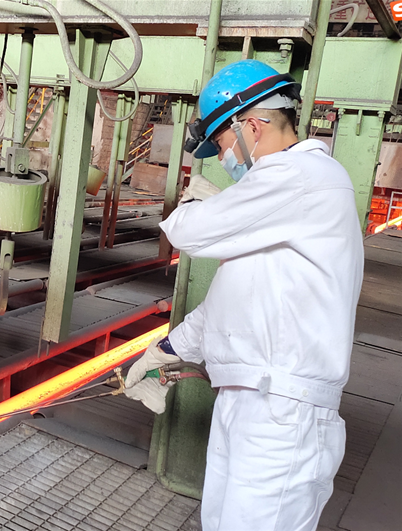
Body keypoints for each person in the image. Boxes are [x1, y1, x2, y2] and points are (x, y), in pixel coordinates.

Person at [124, 60, 364, 531]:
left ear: (250, 126)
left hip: (285, 411)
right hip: (251, 402)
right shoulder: (279, 201)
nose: (223, 159)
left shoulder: (302, 175)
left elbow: (186, 232)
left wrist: (199, 201)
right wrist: (166, 351)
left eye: (221, 145)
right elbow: (231, 299)